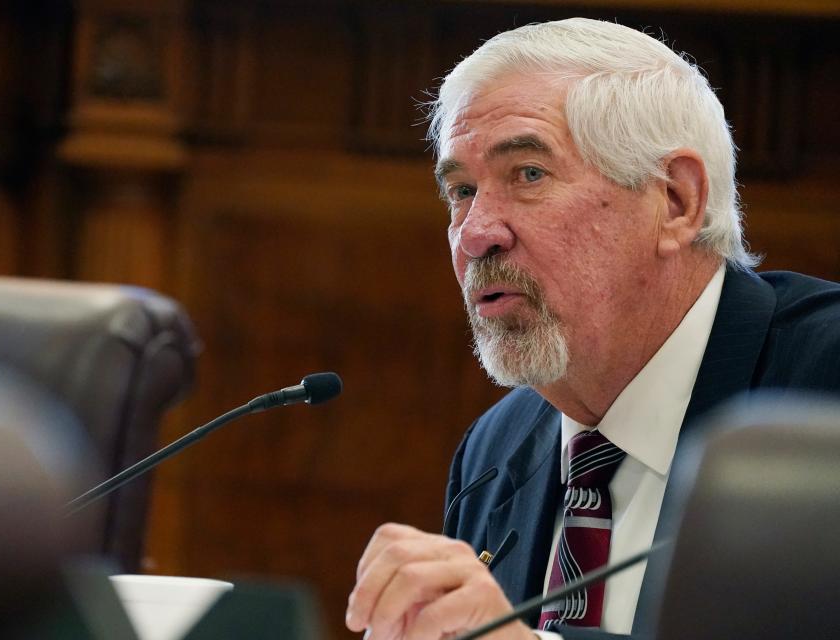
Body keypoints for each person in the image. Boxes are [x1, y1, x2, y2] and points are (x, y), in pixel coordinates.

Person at [344, 17, 840, 640]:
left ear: (675, 201)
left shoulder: (824, 388)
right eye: (462, 190)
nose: (475, 234)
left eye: (528, 174)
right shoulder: (495, 451)